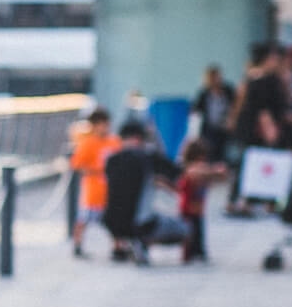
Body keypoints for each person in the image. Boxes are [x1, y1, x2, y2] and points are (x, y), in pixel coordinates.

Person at [103, 119, 183, 265]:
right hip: (141, 223)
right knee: (185, 228)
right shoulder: (146, 157)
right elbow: (175, 171)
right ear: (139, 138)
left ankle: (120, 246)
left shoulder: (111, 160)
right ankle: (141, 243)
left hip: (111, 221)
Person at [228, 42, 291, 215]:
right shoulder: (262, 79)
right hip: (256, 130)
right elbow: (263, 108)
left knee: (252, 163)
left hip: (254, 128)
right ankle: (246, 200)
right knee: (252, 163)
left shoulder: (258, 77)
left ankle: (248, 200)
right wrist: (269, 127)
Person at [69, 108, 119, 257]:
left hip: (110, 191)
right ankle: (77, 245)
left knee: (113, 220)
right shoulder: (87, 143)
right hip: (93, 191)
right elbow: (77, 165)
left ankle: (117, 247)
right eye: (102, 124)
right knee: (83, 220)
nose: (106, 127)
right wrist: (98, 171)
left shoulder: (114, 141)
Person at [175, 139, 227, 264]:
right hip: (188, 209)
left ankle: (198, 252)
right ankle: (189, 254)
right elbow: (200, 172)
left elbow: (219, 177)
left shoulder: (200, 171)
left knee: (198, 234)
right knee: (190, 234)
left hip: (198, 210)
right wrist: (215, 170)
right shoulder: (192, 169)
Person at [191, 64, 235, 164]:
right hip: (209, 129)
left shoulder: (228, 91)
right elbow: (196, 110)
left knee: (225, 152)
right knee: (210, 151)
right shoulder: (204, 93)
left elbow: (235, 106)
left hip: (224, 128)